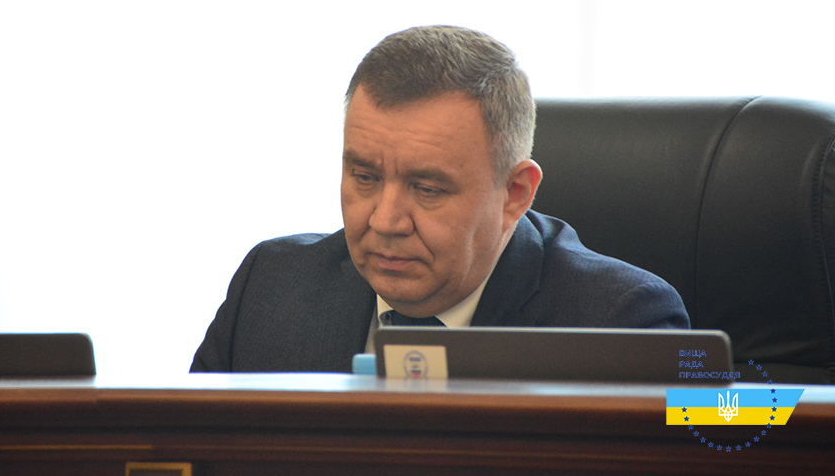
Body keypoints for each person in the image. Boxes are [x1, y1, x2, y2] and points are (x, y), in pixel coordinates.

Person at [190, 25, 690, 373]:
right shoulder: (271, 288)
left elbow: (731, 429)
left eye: (426, 189)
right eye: (364, 177)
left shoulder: (623, 324)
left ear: (514, 194)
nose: (385, 221)